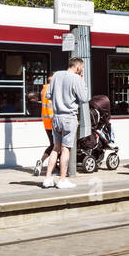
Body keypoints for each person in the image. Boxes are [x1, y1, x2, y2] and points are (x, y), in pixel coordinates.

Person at [42, 57, 88, 189]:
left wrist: (59, 98)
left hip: (56, 117)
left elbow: (48, 95)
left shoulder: (56, 75)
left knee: (55, 148)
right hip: (69, 118)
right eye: (82, 68)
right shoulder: (76, 79)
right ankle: (62, 180)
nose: (81, 71)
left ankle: (48, 178)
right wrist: (83, 83)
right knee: (65, 149)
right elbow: (84, 98)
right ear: (78, 67)